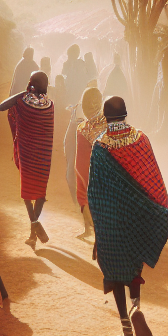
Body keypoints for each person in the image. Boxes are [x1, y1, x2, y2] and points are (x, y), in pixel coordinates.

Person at [87, 96, 168, 336]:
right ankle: (136, 308)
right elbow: (153, 179)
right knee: (134, 269)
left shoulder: (100, 146)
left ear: (105, 117)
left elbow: (94, 193)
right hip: (138, 217)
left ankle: (127, 331)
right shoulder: (141, 139)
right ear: (125, 114)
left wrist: (99, 230)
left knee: (115, 273)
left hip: (112, 221)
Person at [0, 71, 55, 246]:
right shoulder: (50, 105)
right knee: (40, 193)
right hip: (44, 155)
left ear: (31, 84)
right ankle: (33, 233)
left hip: (27, 154)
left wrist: (24, 91)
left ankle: (34, 226)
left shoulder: (23, 102)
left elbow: (2, 106)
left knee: (27, 192)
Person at [74, 86, 106, 252]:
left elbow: (80, 155)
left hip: (85, 170)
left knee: (85, 199)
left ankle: (94, 233)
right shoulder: (108, 124)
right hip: (101, 170)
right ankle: (92, 232)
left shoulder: (82, 128)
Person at [61, 44, 88, 109]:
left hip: (76, 89)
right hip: (70, 90)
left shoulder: (81, 63)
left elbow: (83, 77)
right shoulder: (67, 64)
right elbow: (63, 74)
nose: (68, 58)